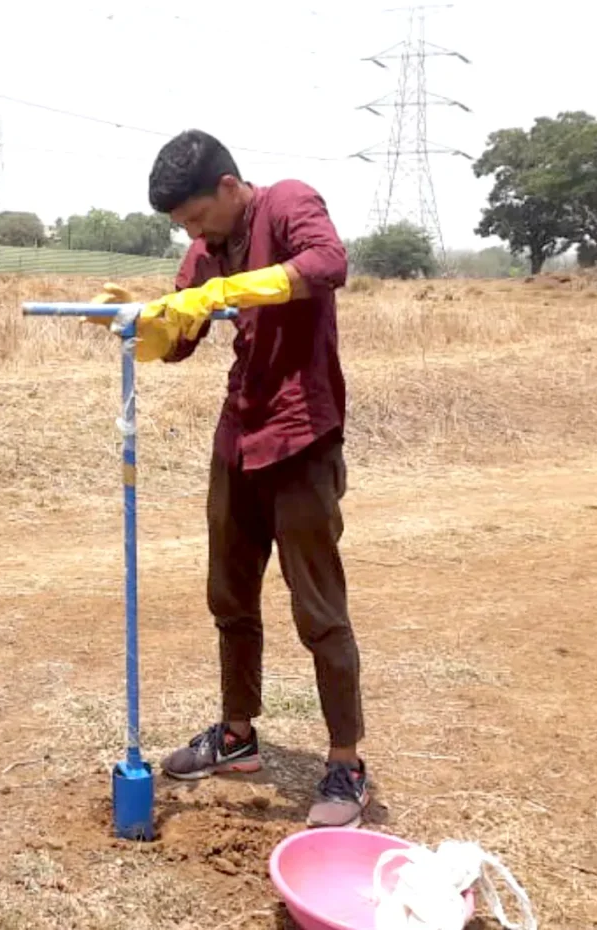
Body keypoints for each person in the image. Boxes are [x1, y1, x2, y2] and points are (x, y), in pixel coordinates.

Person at [91, 129, 368, 829]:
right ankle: (237, 734)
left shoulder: (287, 203)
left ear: (227, 187)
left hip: (302, 432)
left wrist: (228, 289)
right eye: (181, 227)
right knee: (229, 596)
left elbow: (329, 264)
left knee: (318, 609)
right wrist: (139, 323)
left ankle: (345, 762)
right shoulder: (205, 251)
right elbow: (180, 341)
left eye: (194, 218)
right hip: (239, 435)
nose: (191, 233)